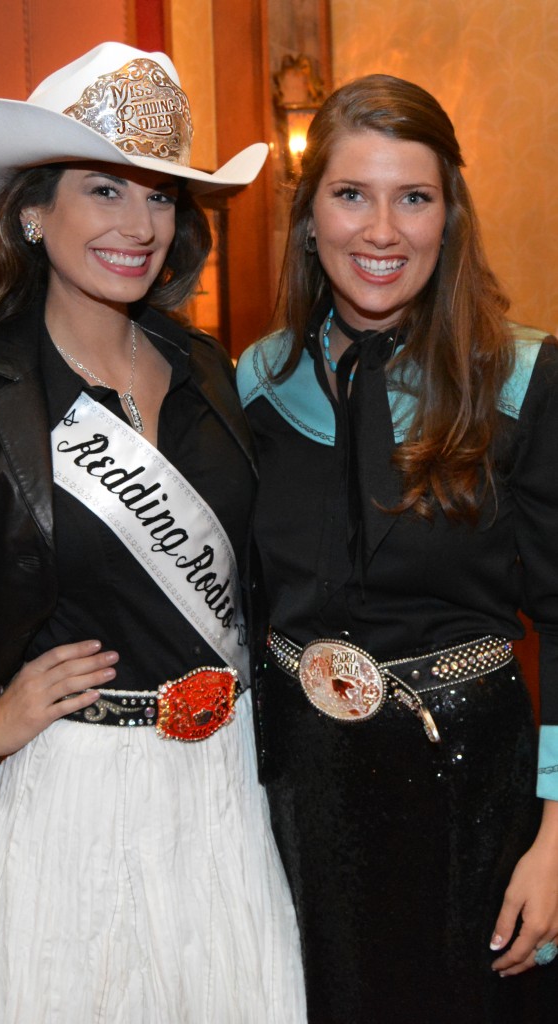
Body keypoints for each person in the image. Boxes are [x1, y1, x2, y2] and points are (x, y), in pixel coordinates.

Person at [0, 42, 306, 1023]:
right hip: (65, 798)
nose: (137, 224)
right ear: (32, 211)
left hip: (224, 791)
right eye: (103, 188)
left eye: (158, 197)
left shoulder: (209, 374)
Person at [237, 73, 558, 1023]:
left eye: (412, 197)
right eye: (350, 195)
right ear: (306, 219)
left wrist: (557, 836)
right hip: (309, 796)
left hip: (478, 794)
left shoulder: (525, 378)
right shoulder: (254, 383)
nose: (381, 231)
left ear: (448, 217)